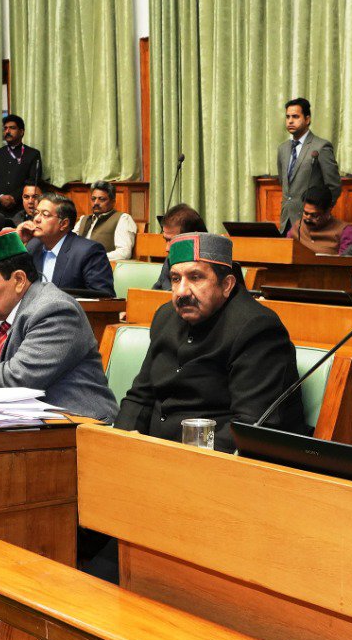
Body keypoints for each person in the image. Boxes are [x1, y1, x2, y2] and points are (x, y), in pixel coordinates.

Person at [116, 232, 305, 452]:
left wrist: (176, 456)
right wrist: (121, 444)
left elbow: (250, 425)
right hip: (154, 454)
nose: (181, 292)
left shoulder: (256, 328)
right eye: (175, 279)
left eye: (195, 277)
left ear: (227, 285)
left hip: (213, 458)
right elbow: (140, 397)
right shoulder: (165, 316)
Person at [0, 230, 118, 421]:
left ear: (19, 280)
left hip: (78, 423)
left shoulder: (55, 309)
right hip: (17, 422)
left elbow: (19, 379)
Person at [19, 193, 114, 297]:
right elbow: (13, 283)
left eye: (45, 215)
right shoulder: (32, 246)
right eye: (36, 213)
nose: (36, 219)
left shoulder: (88, 252)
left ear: (63, 224)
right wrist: (18, 241)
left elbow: (103, 298)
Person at [277, 98, 341, 235]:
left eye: (295, 116)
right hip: (286, 221)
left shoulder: (321, 146)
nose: (290, 121)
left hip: (312, 222)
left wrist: (320, 212)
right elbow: (284, 183)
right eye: (288, 117)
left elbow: (334, 186)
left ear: (307, 119)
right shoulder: (283, 148)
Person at [0, 114, 45, 217]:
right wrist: (0, 197)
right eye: (5, 128)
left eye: (12, 128)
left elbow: (32, 181)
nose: (7, 131)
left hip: (21, 208)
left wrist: (13, 197)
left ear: (21, 132)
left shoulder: (33, 154)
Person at [73, 181, 137, 261]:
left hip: (101, 265)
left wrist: (95, 258)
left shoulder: (123, 219)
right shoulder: (84, 219)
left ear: (113, 202)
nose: (96, 203)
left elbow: (124, 253)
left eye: (102, 199)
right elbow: (70, 243)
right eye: (93, 199)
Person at [287, 186, 352, 256]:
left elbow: (346, 261)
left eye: (314, 215)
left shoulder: (346, 231)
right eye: (305, 213)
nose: (308, 218)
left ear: (328, 211)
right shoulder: (297, 227)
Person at [151, 203, 208, 290]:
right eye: (166, 240)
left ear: (192, 237)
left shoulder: (211, 264)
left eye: (173, 241)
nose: (167, 248)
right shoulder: (171, 258)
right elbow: (158, 289)